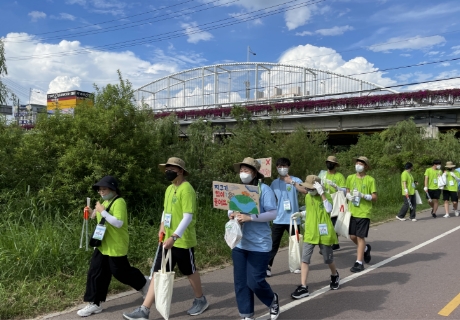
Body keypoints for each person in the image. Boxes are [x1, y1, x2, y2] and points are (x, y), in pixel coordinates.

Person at [123, 157, 208, 320]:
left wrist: (175, 236)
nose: (168, 172)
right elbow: (165, 210)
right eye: (167, 168)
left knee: (189, 271)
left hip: (182, 241)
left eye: (172, 169)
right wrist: (162, 226)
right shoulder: (169, 189)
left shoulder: (187, 189)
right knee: (157, 272)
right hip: (167, 239)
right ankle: (144, 310)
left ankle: (200, 300)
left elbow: (188, 217)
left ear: (181, 171)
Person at [77, 176, 150, 317]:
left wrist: (101, 210)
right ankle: (94, 303)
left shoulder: (119, 202)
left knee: (121, 272)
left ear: (113, 189)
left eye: (104, 189)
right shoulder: (105, 202)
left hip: (116, 245)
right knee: (95, 272)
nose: (101, 192)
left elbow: (118, 223)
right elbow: (97, 217)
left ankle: (144, 283)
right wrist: (91, 212)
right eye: (99, 190)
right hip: (103, 245)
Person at [228, 157, 280, 320]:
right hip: (240, 242)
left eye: (247, 170)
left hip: (259, 244)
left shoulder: (264, 190)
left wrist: (251, 217)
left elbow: (273, 213)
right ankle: (246, 314)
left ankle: (272, 300)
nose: (243, 173)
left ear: (255, 172)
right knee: (241, 282)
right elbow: (229, 209)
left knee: (255, 281)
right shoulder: (237, 189)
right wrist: (232, 215)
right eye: (241, 170)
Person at [290, 175, 340, 299]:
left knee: (328, 259)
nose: (309, 191)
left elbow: (328, 209)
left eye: (311, 189)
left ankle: (334, 275)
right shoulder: (308, 197)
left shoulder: (326, 196)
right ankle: (303, 287)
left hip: (324, 233)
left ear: (318, 188)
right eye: (308, 189)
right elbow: (312, 211)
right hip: (310, 231)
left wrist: (322, 194)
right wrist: (301, 213)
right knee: (305, 259)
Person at [267, 157, 305, 277]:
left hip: (293, 219)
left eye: (284, 166)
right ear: (276, 168)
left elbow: (305, 190)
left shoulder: (295, 179)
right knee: (273, 244)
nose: (282, 168)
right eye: (279, 166)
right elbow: (270, 198)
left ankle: (296, 265)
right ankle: (267, 266)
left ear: (288, 167)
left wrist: (292, 183)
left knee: (296, 243)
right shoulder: (274, 183)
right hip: (279, 218)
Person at [345, 156, 377, 273]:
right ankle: (365, 248)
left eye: (361, 164)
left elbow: (374, 197)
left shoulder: (370, 180)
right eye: (357, 163)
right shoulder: (350, 178)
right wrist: (348, 196)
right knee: (352, 236)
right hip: (352, 211)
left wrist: (363, 195)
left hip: (364, 212)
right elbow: (347, 191)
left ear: (366, 166)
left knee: (360, 236)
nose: (358, 165)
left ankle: (359, 262)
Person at [322, 155, 346, 251]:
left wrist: (336, 187)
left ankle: (332, 243)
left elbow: (344, 190)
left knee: (333, 222)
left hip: (335, 201)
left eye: (331, 163)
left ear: (335, 165)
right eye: (328, 162)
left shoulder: (339, 176)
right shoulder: (323, 174)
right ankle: (331, 242)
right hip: (325, 200)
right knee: (325, 222)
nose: (329, 164)